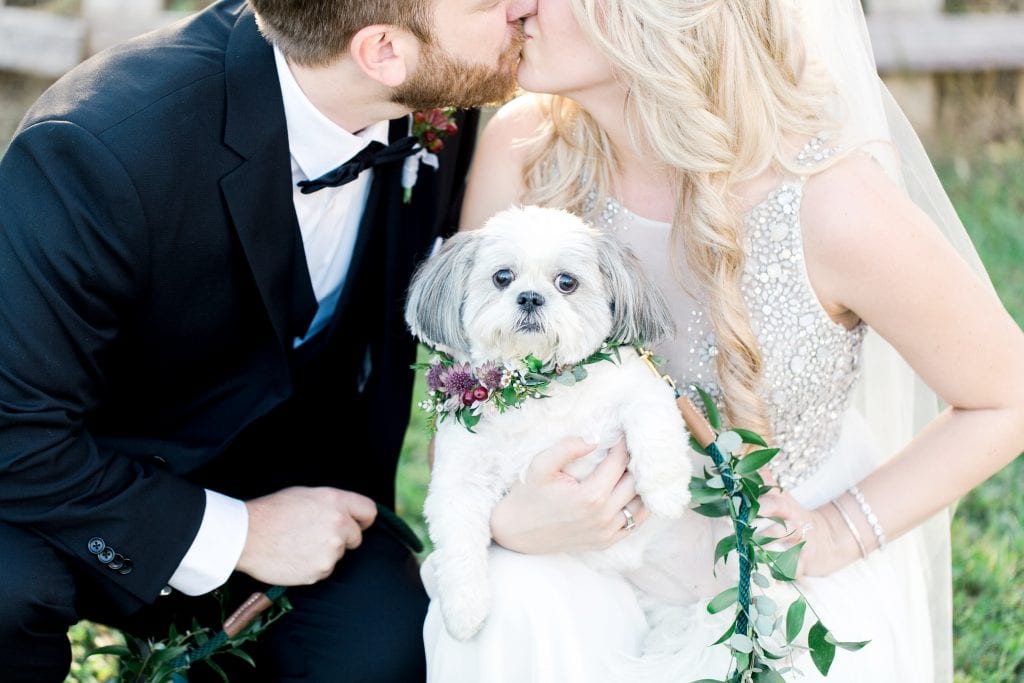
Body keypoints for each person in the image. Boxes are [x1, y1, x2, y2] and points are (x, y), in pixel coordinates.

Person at [422, 0, 1024, 681]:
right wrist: (510, 519)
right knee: (507, 601)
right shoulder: (526, 148)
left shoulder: (830, 201)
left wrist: (837, 530)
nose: (515, 5)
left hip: (766, 569)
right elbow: (462, 403)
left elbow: (1007, 395)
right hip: (578, 545)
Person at [0, 0, 538, 680]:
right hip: (81, 492)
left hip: (300, 491)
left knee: (385, 644)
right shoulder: (99, 147)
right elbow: (13, 430)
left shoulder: (434, 86)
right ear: (381, 51)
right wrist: (239, 534)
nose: (523, 7)